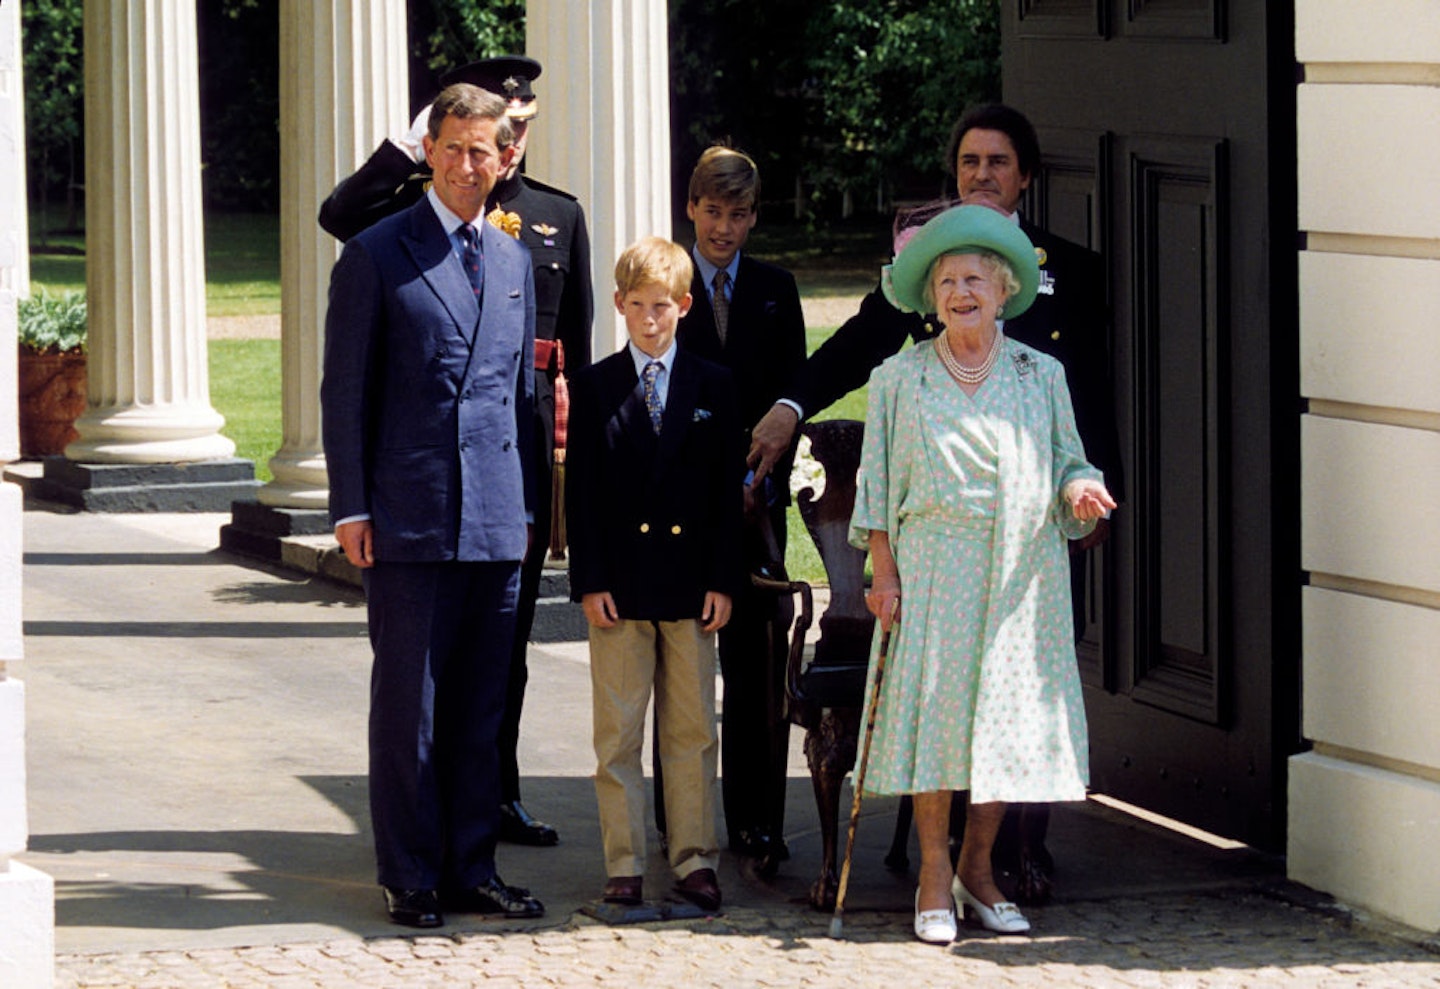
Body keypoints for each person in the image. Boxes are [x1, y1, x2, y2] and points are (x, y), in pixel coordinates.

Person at [746, 103, 1124, 900]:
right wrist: (790, 405)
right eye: (968, 162)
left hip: (1034, 525)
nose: (981, 174)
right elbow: (857, 344)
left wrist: (1090, 485)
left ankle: (1019, 851)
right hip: (942, 540)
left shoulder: (1074, 270)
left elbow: (1089, 393)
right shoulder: (931, 264)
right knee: (951, 689)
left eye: (997, 162)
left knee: (1025, 685)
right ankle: (941, 860)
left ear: (1025, 175)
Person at [319, 55, 594, 848]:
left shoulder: (531, 235)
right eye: (461, 147)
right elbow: (347, 388)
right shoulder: (387, 239)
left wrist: (541, 501)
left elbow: (545, 371)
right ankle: (412, 866)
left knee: (488, 689)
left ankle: (479, 849)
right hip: (414, 499)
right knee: (414, 701)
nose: (481, 163)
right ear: (434, 148)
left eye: (496, 145)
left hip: (506, 494)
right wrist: (352, 505)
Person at [851, 204, 1116, 943]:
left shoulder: (1042, 373)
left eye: (974, 278)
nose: (960, 291)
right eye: (945, 281)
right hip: (932, 567)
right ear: (930, 295)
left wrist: (1079, 491)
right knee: (937, 724)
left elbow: (1071, 461)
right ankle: (933, 874)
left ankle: (977, 867)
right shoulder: (898, 378)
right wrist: (884, 569)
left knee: (1001, 728)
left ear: (1003, 292)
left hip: (1018, 573)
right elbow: (875, 486)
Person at [565, 237, 745, 912]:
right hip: (621, 585)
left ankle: (696, 859)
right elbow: (579, 493)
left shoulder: (712, 384)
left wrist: (724, 579)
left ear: (684, 307)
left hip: (691, 584)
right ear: (618, 305)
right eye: (636, 305)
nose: (649, 319)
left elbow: (728, 494)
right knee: (617, 733)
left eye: (661, 306)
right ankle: (624, 860)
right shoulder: (595, 386)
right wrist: (590, 579)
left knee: (694, 731)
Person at [668, 145, 808, 870]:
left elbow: (793, 386)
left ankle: (758, 820)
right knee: (684, 673)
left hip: (758, 508)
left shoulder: (777, 288)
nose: (724, 228)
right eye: (713, 212)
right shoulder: (666, 281)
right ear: (692, 207)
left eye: (739, 214)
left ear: (755, 216)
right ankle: (682, 823)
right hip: (683, 511)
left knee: (755, 673)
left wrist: (761, 468)